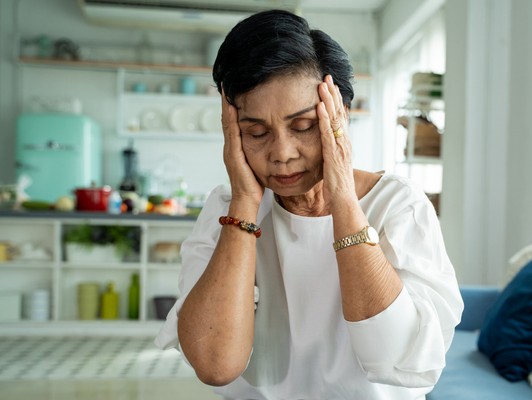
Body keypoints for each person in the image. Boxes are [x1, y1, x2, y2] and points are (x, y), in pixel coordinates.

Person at [155, 9, 463, 400]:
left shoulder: (398, 205)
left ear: (339, 117)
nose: (282, 153)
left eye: (303, 127)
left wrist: (344, 201)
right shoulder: (226, 209)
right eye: (256, 132)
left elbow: (398, 364)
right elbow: (215, 365)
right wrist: (246, 204)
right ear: (232, 133)